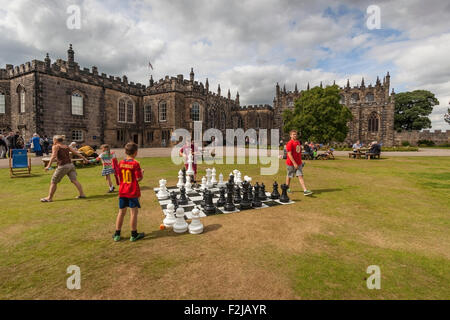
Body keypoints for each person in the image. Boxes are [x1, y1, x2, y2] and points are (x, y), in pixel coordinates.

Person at [40, 135, 88, 202]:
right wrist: (84, 158)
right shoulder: (67, 146)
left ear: (56, 141)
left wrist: (48, 166)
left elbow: (53, 156)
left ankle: (49, 198)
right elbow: (76, 153)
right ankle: (82, 194)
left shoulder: (56, 146)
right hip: (71, 165)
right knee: (74, 180)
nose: (53, 141)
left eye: (53, 140)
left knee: (53, 182)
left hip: (63, 166)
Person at [113, 142, 145, 242]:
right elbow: (138, 178)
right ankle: (133, 234)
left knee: (121, 212)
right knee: (133, 213)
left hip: (122, 191)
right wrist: (142, 173)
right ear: (135, 152)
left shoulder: (121, 162)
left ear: (125, 151)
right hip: (132, 191)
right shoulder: (135, 163)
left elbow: (118, 176)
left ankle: (117, 234)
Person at [285, 130, 313, 196]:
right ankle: (287, 188)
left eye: (296, 134)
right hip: (291, 163)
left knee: (300, 175)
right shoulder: (289, 143)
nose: (295, 135)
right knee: (289, 176)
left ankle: (305, 190)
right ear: (290, 135)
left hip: (298, 163)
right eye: (293, 134)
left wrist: (300, 161)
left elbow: (298, 152)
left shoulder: (297, 142)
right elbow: (289, 154)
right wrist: (294, 163)